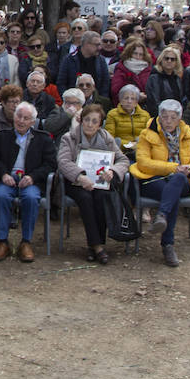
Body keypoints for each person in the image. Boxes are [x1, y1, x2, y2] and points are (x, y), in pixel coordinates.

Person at [129, 99, 190, 268]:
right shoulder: (147, 134)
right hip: (154, 180)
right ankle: (167, 245)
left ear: (179, 118)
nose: (169, 121)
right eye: (165, 116)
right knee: (172, 195)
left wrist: (189, 170)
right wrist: (174, 167)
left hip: (181, 180)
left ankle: (162, 215)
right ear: (159, 117)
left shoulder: (186, 134)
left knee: (177, 182)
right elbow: (143, 162)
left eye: (173, 117)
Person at [57, 103, 129, 264]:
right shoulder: (69, 137)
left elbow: (123, 159)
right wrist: (80, 177)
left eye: (94, 121)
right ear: (81, 121)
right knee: (85, 198)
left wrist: (113, 171)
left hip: (99, 183)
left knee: (101, 197)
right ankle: (98, 247)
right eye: (87, 120)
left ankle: (94, 246)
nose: (90, 124)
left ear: (100, 124)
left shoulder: (105, 137)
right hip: (75, 182)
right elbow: (63, 161)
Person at [0, 102, 55, 263]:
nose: (21, 121)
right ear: (13, 117)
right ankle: (3, 242)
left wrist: (33, 177)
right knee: (1, 195)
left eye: (26, 118)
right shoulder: (2, 136)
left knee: (31, 198)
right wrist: (3, 174)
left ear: (33, 122)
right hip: (8, 179)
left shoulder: (43, 139)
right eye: (19, 116)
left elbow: (50, 164)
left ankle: (26, 242)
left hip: (30, 180)